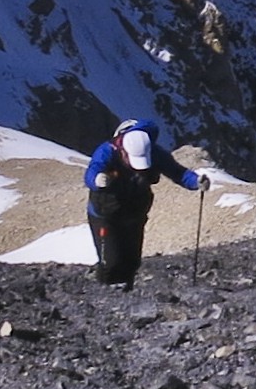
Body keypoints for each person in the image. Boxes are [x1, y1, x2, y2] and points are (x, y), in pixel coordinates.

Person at [83, 119, 205, 289]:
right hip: (105, 216)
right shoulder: (107, 151)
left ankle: (125, 292)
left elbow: (177, 172)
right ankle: (104, 289)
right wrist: (97, 180)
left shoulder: (154, 152)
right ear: (124, 151)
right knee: (111, 263)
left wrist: (196, 181)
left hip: (134, 214)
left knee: (132, 262)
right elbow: (92, 170)